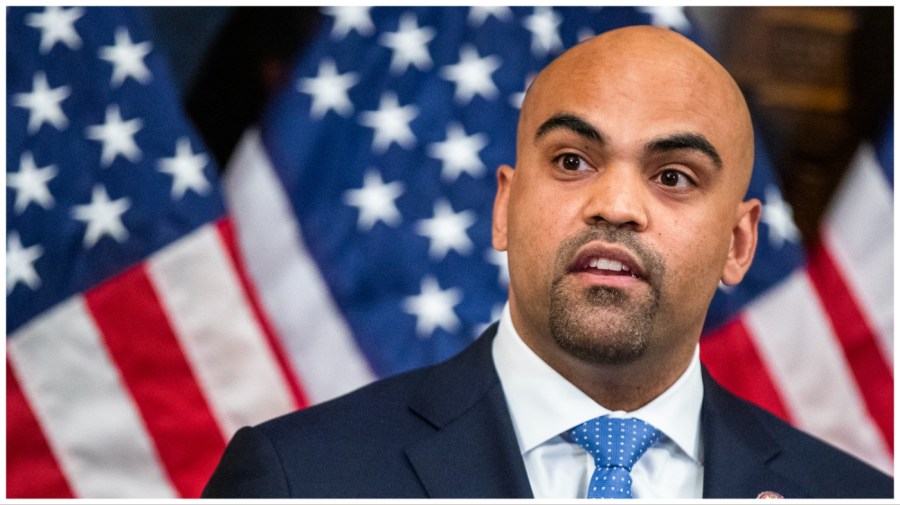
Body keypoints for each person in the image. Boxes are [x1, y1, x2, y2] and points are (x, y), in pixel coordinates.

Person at [202, 25, 893, 499]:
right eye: (572, 160)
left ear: (739, 244)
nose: (617, 204)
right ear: (504, 208)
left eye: (674, 175)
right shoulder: (300, 478)